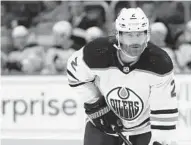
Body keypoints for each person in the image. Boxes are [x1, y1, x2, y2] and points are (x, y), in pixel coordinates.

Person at [66, 8, 178, 145]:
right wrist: (96, 104)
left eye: (139, 35)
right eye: (129, 35)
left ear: (147, 35)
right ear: (119, 35)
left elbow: (164, 108)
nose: (135, 41)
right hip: (103, 126)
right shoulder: (97, 51)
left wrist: (160, 141)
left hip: (143, 128)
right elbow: (74, 72)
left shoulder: (159, 62)